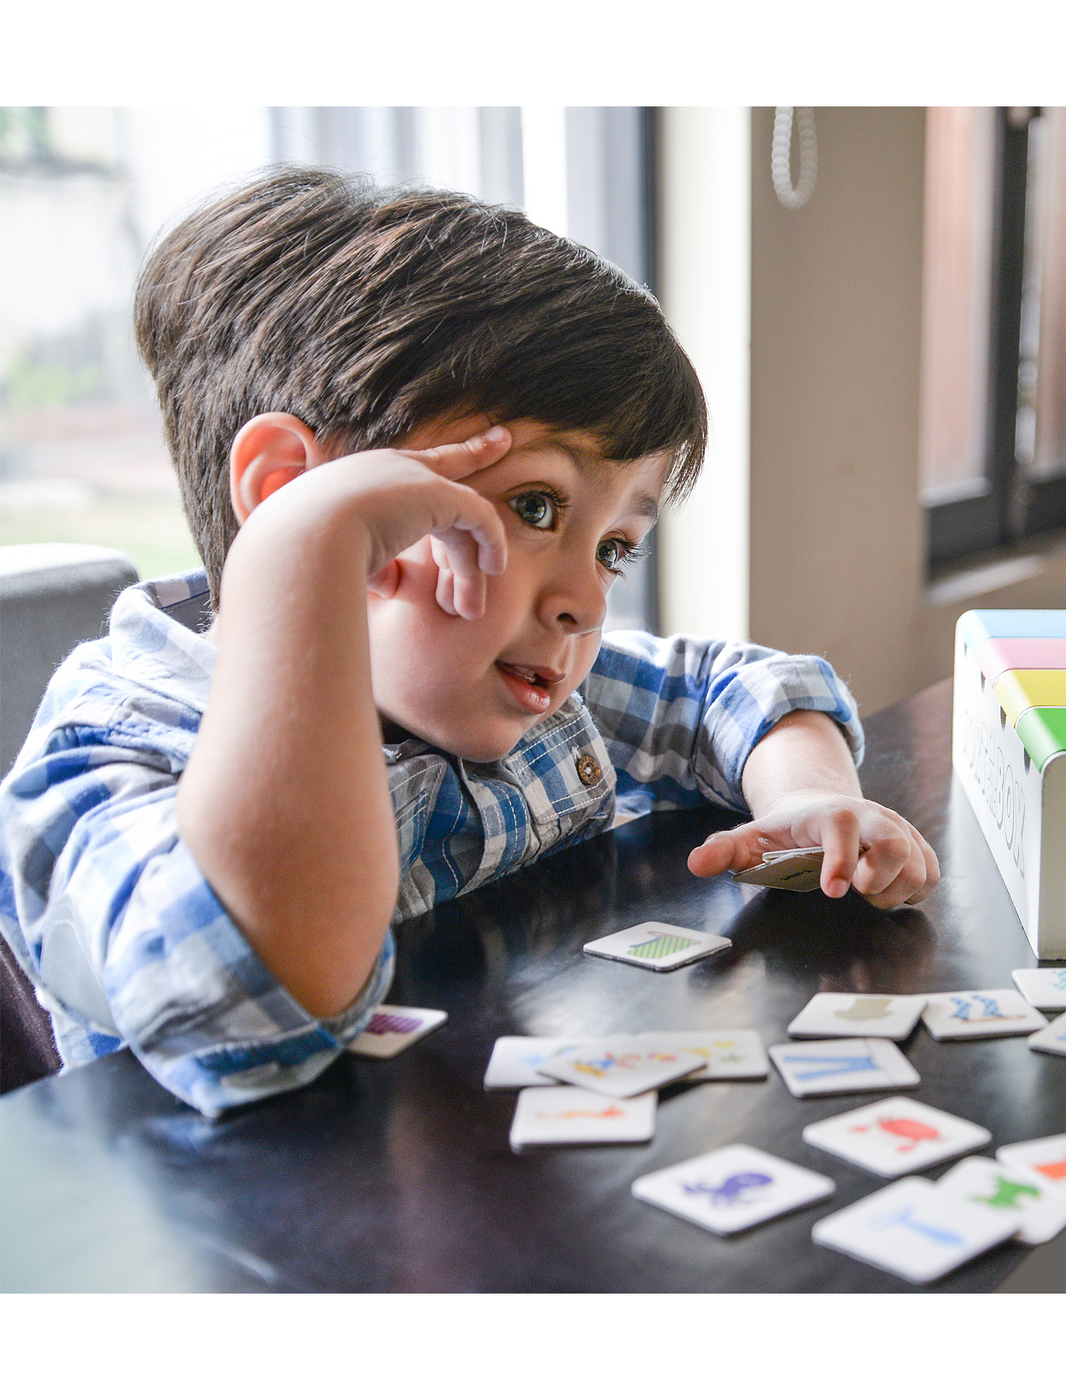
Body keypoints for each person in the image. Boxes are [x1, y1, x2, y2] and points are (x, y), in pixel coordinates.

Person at [0, 168, 939, 1116]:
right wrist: (300, 558)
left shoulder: (495, 675)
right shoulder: (114, 753)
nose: (583, 600)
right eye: (534, 507)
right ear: (289, 496)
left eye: (616, 548)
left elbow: (731, 686)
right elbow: (250, 1014)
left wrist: (808, 799)